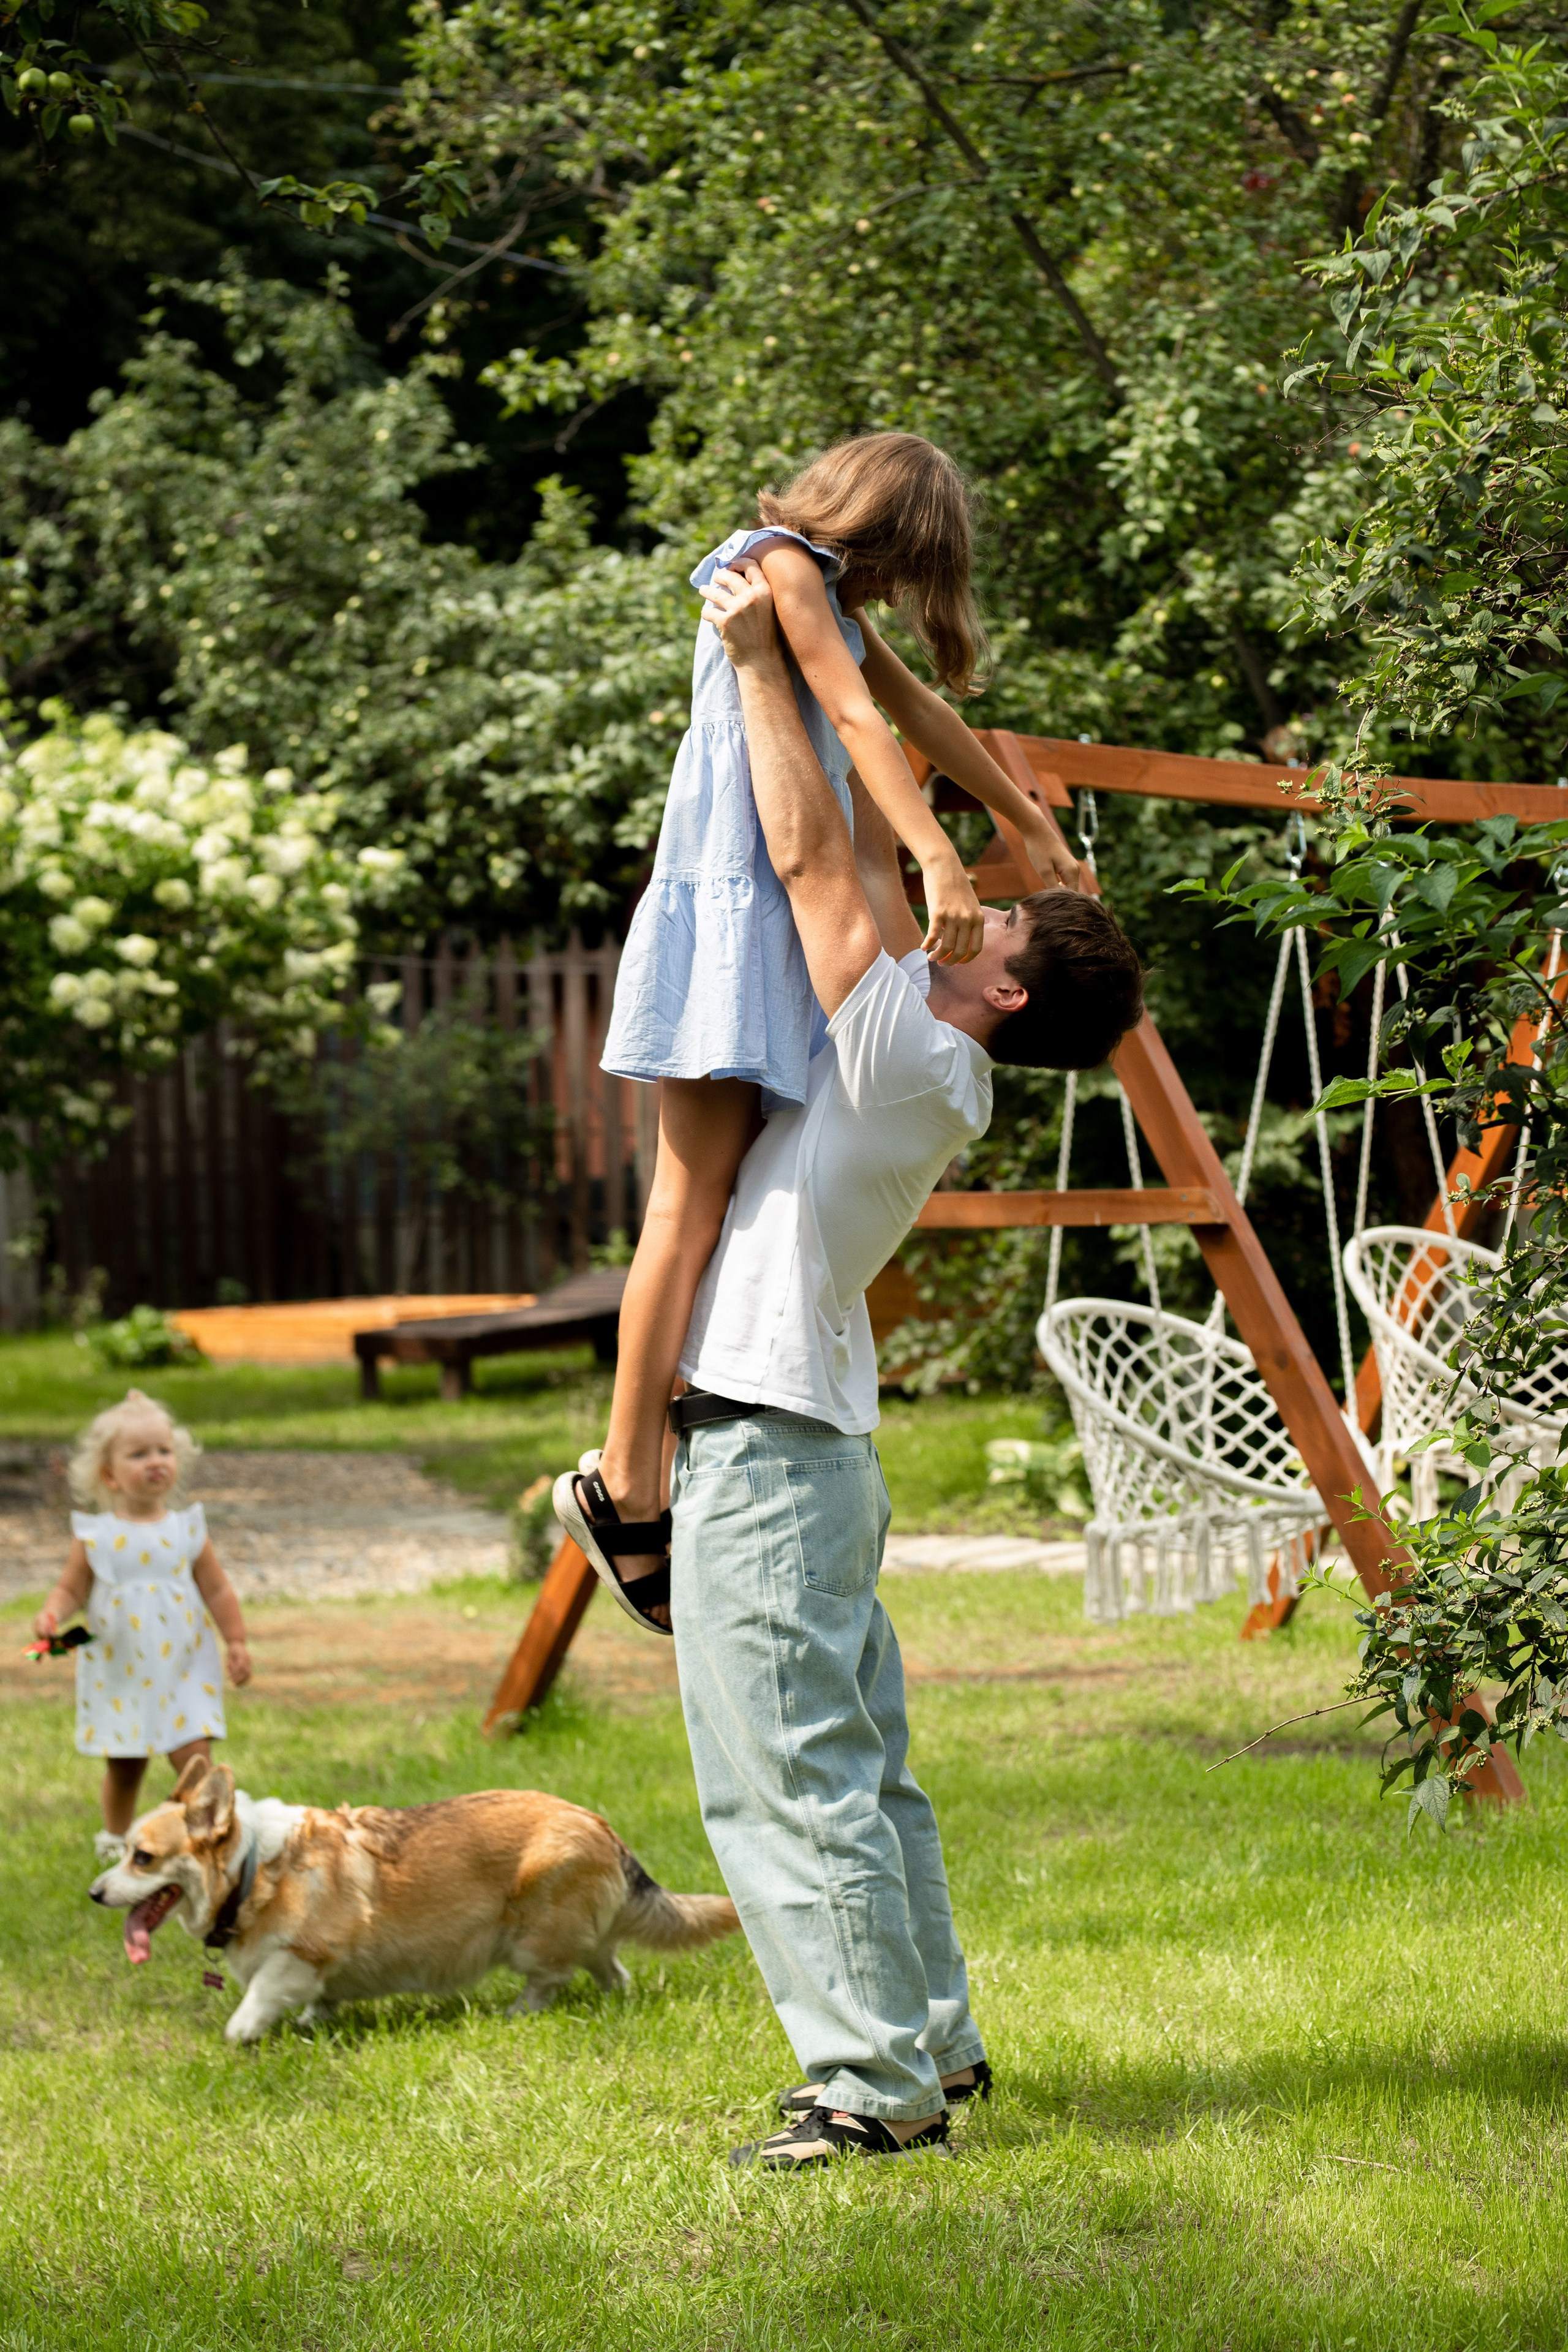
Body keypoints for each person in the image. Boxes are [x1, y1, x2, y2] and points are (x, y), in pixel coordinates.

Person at [647, 560, 1142, 2168]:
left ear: (1002, 989)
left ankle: (872, 2090)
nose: (960, 908)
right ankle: (932, 2041)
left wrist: (755, 672)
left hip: (774, 1443)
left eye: (988, 919)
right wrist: (829, 666)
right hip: (817, 1442)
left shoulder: (913, 1047)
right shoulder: (926, 1063)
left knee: (786, 1781)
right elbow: (863, 820)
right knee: (865, 1772)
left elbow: (805, 847)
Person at [576, 432, 1080, 1627]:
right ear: (887, 532)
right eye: (913, 564)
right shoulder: (775, 567)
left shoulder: (828, 600)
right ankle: (624, 1477)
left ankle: (656, 1447)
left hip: (777, 913)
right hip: (739, 898)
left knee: (728, 1191)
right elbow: (853, 724)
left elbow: (918, 714)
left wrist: (1025, 820)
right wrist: (941, 857)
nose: (904, 591)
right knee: (685, 1200)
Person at [31, 1389, 253, 1863]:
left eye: (164, 1450)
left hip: (183, 1665)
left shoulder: (187, 1529)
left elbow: (217, 1589)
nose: (156, 1461)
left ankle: (205, 1836)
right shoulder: (97, 1535)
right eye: (139, 1454)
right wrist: (54, 1613)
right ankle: (115, 1838)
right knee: (126, 1763)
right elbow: (71, 1588)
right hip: (123, 1669)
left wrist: (235, 1639)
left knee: (194, 1756)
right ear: (109, 1474)